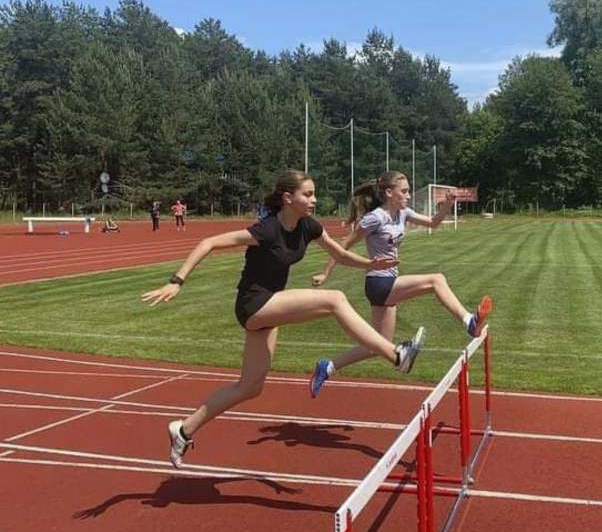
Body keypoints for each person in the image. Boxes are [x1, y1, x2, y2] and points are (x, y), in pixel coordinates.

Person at [141, 170, 427, 468]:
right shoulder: (266, 230)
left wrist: (370, 263)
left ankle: (183, 430)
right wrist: (176, 280)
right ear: (288, 198)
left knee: (250, 387)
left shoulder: (309, 227)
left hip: (270, 308)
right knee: (335, 299)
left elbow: (340, 256)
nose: (314, 199)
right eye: (308, 194)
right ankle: (396, 355)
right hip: (253, 305)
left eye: (314, 193)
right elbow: (209, 243)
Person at [309, 171, 492, 398]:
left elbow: (433, 223)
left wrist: (446, 205)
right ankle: (469, 323)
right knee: (436, 280)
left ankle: (327, 366)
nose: (408, 195)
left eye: (408, 190)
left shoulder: (403, 213)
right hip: (378, 283)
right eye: (404, 191)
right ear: (389, 193)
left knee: (378, 345)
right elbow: (343, 245)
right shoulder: (375, 218)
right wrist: (325, 273)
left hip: (389, 283)